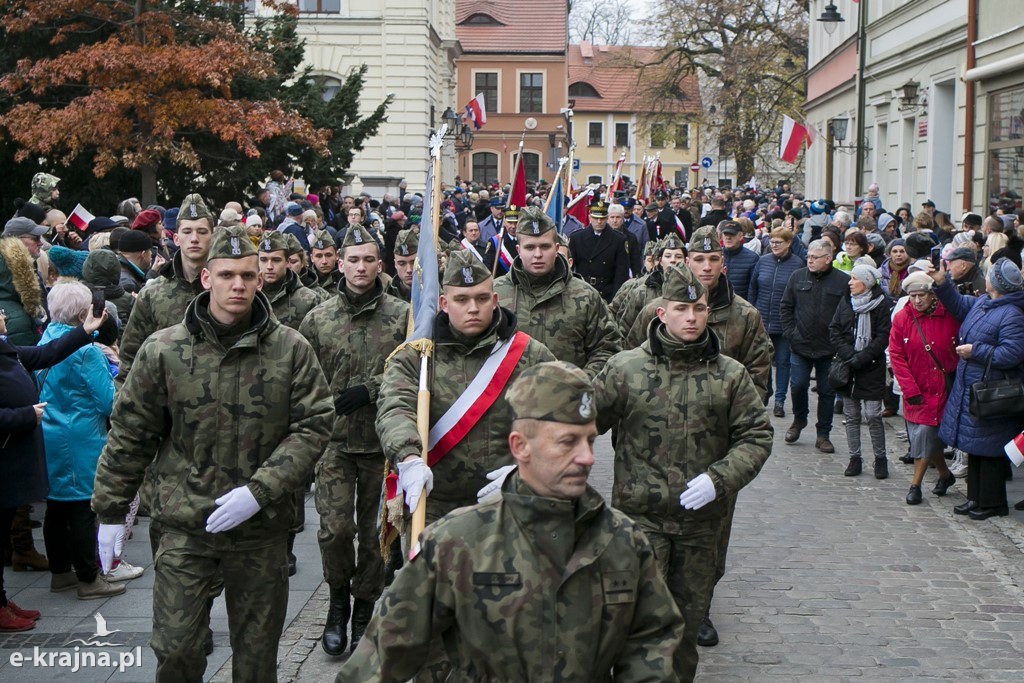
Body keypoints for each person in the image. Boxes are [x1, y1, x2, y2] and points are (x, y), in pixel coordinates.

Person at [340, 362, 685, 682]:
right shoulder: (455, 543)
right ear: (520, 446)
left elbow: (652, 640)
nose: (587, 457)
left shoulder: (621, 540)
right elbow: (383, 655)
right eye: (568, 442)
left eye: (590, 440)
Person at [92, 226, 334, 681]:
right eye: (226, 275)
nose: (237, 285)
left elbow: (314, 424)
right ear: (206, 278)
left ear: (260, 279)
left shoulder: (290, 349)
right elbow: (131, 432)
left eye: (246, 274)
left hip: (260, 531)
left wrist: (261, 491)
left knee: (256, 659)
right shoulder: (164, 349)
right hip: (185, 524)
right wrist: (109, 509)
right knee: (177, 648)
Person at [595, 265, 773, 682]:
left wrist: (720, 478)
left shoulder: (730, 375)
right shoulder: (626, 369)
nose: (690, 317)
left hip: (701, 526)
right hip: (640, 520)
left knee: (685, 630)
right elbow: (581, 423)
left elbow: (756, 436)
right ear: (662, 313)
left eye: (698, 308)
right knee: (639, 625)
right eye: (681, 308)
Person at [376, 249, 555, 529]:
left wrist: (531, 469)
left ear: (495, 300)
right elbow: (395, 408)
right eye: (462, 299)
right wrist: (408, 458)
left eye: (482, 298)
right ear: (444, 303)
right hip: (434, 505)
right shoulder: (417, 356)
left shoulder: (529, 354)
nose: (473, 308)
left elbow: (561, 419)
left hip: (511, 501)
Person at [300, 226, 409, 657]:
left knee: (377, 533)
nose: (360, 267)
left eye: (368, 260)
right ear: (338, 263)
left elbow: (419, 370)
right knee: (334, 530)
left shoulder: (402, 316)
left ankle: (365, 605)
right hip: (335, 444)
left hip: (384, 445)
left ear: (378, 266)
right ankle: (337, 599)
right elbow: (302, 383)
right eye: (353, 260)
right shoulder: (317, 319)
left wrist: (373, 388)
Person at [0, 302, 107, 631]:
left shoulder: (7, 349)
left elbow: (46, 354)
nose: (4, 316)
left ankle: (1, 601)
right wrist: (24, 416)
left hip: (12, 461)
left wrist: (85, 330)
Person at [35, 283, 125, 600]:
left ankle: (61, 573)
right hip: (81, 437)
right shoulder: (86, 351)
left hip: (51, 432)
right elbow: (108, 402)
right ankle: (89, 577)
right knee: (84, 507)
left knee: (57, 508)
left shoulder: (46, 338)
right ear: (82, 313)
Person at [929, 258, 1024, 520]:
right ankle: (976, 498)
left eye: (991, 274)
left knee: (990, 449)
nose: (987, 276)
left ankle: (993, 503)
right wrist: (941, 282)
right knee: (976, 447)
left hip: (992, 391)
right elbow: (960, 306)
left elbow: (1012, 353)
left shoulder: (1012, 313)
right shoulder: (985, 302)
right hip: (973, 385)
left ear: (998, 283)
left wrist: (975, 351)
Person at [493, 206, 620, 379]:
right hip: (507, 401)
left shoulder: (585, 295)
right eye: (530, 247)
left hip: (569, 402)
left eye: (545, 247)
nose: (538, 254)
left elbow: (608, 349)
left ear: (556, 247)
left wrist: (579, 385)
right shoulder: (494, 294)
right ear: (518, 250)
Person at [117, 194, 213, 384]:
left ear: (213, 236)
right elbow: (130, 360)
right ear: (176, 238)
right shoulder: (153, 294)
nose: (194, 239)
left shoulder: (229, 291)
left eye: (202, 231)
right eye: (187, 232)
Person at [888, 272, 959, 505]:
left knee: (925, 434)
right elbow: (897, 355)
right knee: (926, 437)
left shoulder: (948, 314)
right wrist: (909, 388)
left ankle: (915, 485)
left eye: (922, 295)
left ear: (932, 295)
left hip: (941, 387)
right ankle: (945, 475)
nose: (917, 301)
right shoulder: (902, 318)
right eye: (913, 296)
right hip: (915, 388)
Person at [780, 239, 850, 453]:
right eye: (808, 256)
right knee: (799, 385)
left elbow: (848, 314)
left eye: (815, 257)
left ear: (828, 259)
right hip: (800, 344)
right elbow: (786, 307)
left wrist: (841, 342)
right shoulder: (797, 276)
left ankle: (823, 434)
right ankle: (799, 420)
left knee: (827, 392)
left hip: (829, 348)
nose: (809, 260)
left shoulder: (842, 281)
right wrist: (791, 333)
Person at [829, 262, 892, 478]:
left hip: (871, 367)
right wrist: (849, 355)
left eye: (854, 279)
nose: (850, 282)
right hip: (848, 367)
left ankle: (880, 458)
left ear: (865, 282)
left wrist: (863, 357)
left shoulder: (881, 303)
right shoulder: (846, 301)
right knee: (852, 415)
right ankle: (854, 458)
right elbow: (835, 330)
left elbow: (884, 335)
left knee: (873, 414)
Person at [749, 226, 805, 417]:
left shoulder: (798, 264)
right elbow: (753, 288)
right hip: (762, 319)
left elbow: (800, 295)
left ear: (789, 243)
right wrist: (752, 311)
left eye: (778, 242)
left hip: (784, 322)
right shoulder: (763, 261)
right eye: (771, 242)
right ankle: (767, 392)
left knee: (782, 362)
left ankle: (779, 400)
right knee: (764, 360)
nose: (774, 245)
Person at [256, 230, 320, 330]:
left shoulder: (310, 300)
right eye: (263, 260)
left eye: (276, 260)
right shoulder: (249, 296)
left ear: (287, 262)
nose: (269, 266)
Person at [568, 200, 630, 303]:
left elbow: (621, 273)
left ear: (607, 218)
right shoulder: (577, 238)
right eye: (596, 218)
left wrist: (616, 300)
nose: (599, 222)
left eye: (602, 218)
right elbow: (570, 267)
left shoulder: (618, 239)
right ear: (590, 218)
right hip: (582, 290)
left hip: (606, 292)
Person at [720, 220, 759, 301]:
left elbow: (753, 289)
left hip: (742, 308)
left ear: (740, 236)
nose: (728, 237)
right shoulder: (715, 255)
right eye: (725, 234)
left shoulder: (752, 258)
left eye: (732, 234)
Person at [483, 204, 520, 277]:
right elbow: (487, 266)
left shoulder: (527, 240)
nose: (513, 226)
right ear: (504, 222)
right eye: (510, 223)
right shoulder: (495, 241)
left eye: (516, 222)